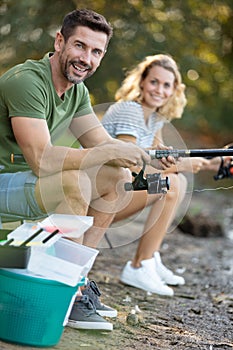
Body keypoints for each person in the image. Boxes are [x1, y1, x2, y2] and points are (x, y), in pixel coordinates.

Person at [0, 10, 176, 331]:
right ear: (60, 41)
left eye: (96, 52)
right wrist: (109, 151)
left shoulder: (77, 91)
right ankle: (65, 290)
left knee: (115, 176)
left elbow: (105, 145)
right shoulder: (27, 81)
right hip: (4, 181)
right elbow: (40, 158)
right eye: (80, 46)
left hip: (29, 184)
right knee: (74, 183)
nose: (86, 58)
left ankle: (76, 282)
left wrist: (140, 157)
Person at [102, 54, 210, 296]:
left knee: (176, 181)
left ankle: (149, 258)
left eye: (166, 85)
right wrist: (182, 166)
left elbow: (159, 161)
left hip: (115, 194)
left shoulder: (153, 119)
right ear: (141, 82)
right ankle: (140, 265)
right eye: (154, 82)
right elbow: (129, 165)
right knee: (170, 183)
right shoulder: (131, 111)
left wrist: (213, 163)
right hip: (98, 196)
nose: (159, 90)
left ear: (173, 90)